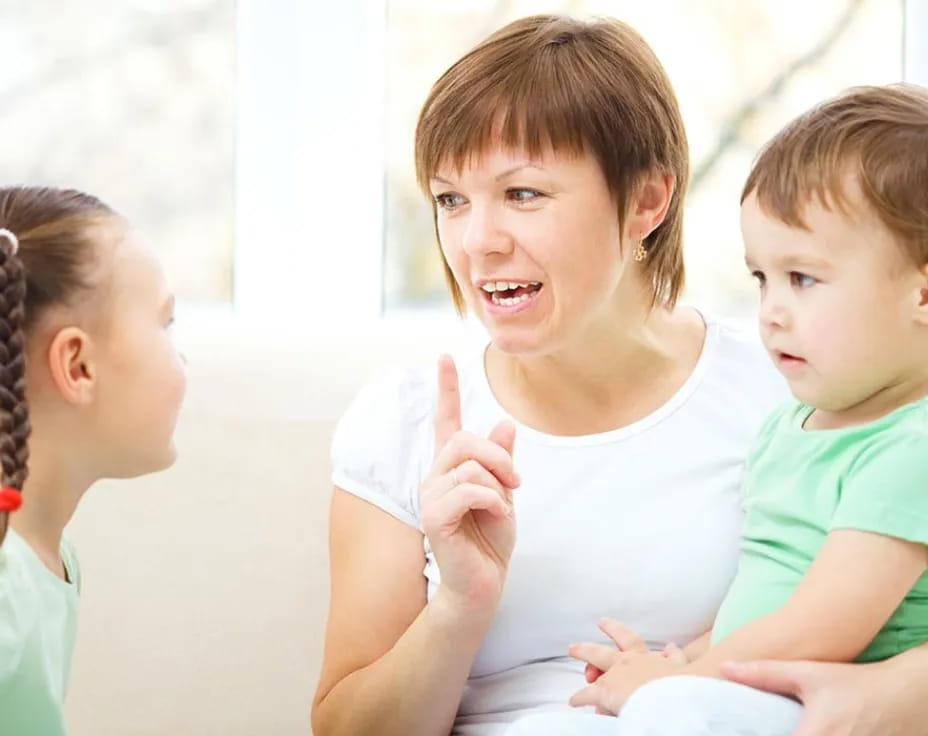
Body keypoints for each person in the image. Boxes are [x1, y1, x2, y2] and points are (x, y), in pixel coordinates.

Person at [310, 15, 928, 735]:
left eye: (524, 194)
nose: (478, 241)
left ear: (645, 202)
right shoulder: (407, 422)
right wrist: (459, 602)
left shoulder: (806, 391)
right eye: (451, 199)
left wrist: (896, 694)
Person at [508, 84, 928, 736]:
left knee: (669, 710)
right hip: (758, 688)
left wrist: (678, 681)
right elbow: (758, 597)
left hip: (830, 701)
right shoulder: (789, 426)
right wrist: (680, 657)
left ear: (922, 296)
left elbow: (825, 624)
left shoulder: (913, 449)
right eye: (763, 278)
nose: (773, 310)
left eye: (805, 279)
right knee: (546, 729)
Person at [0, 186, 187, 735]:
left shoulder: (46, 558)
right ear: (78, 365)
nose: (181, 354)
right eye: (165, 325)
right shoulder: (7, 587)